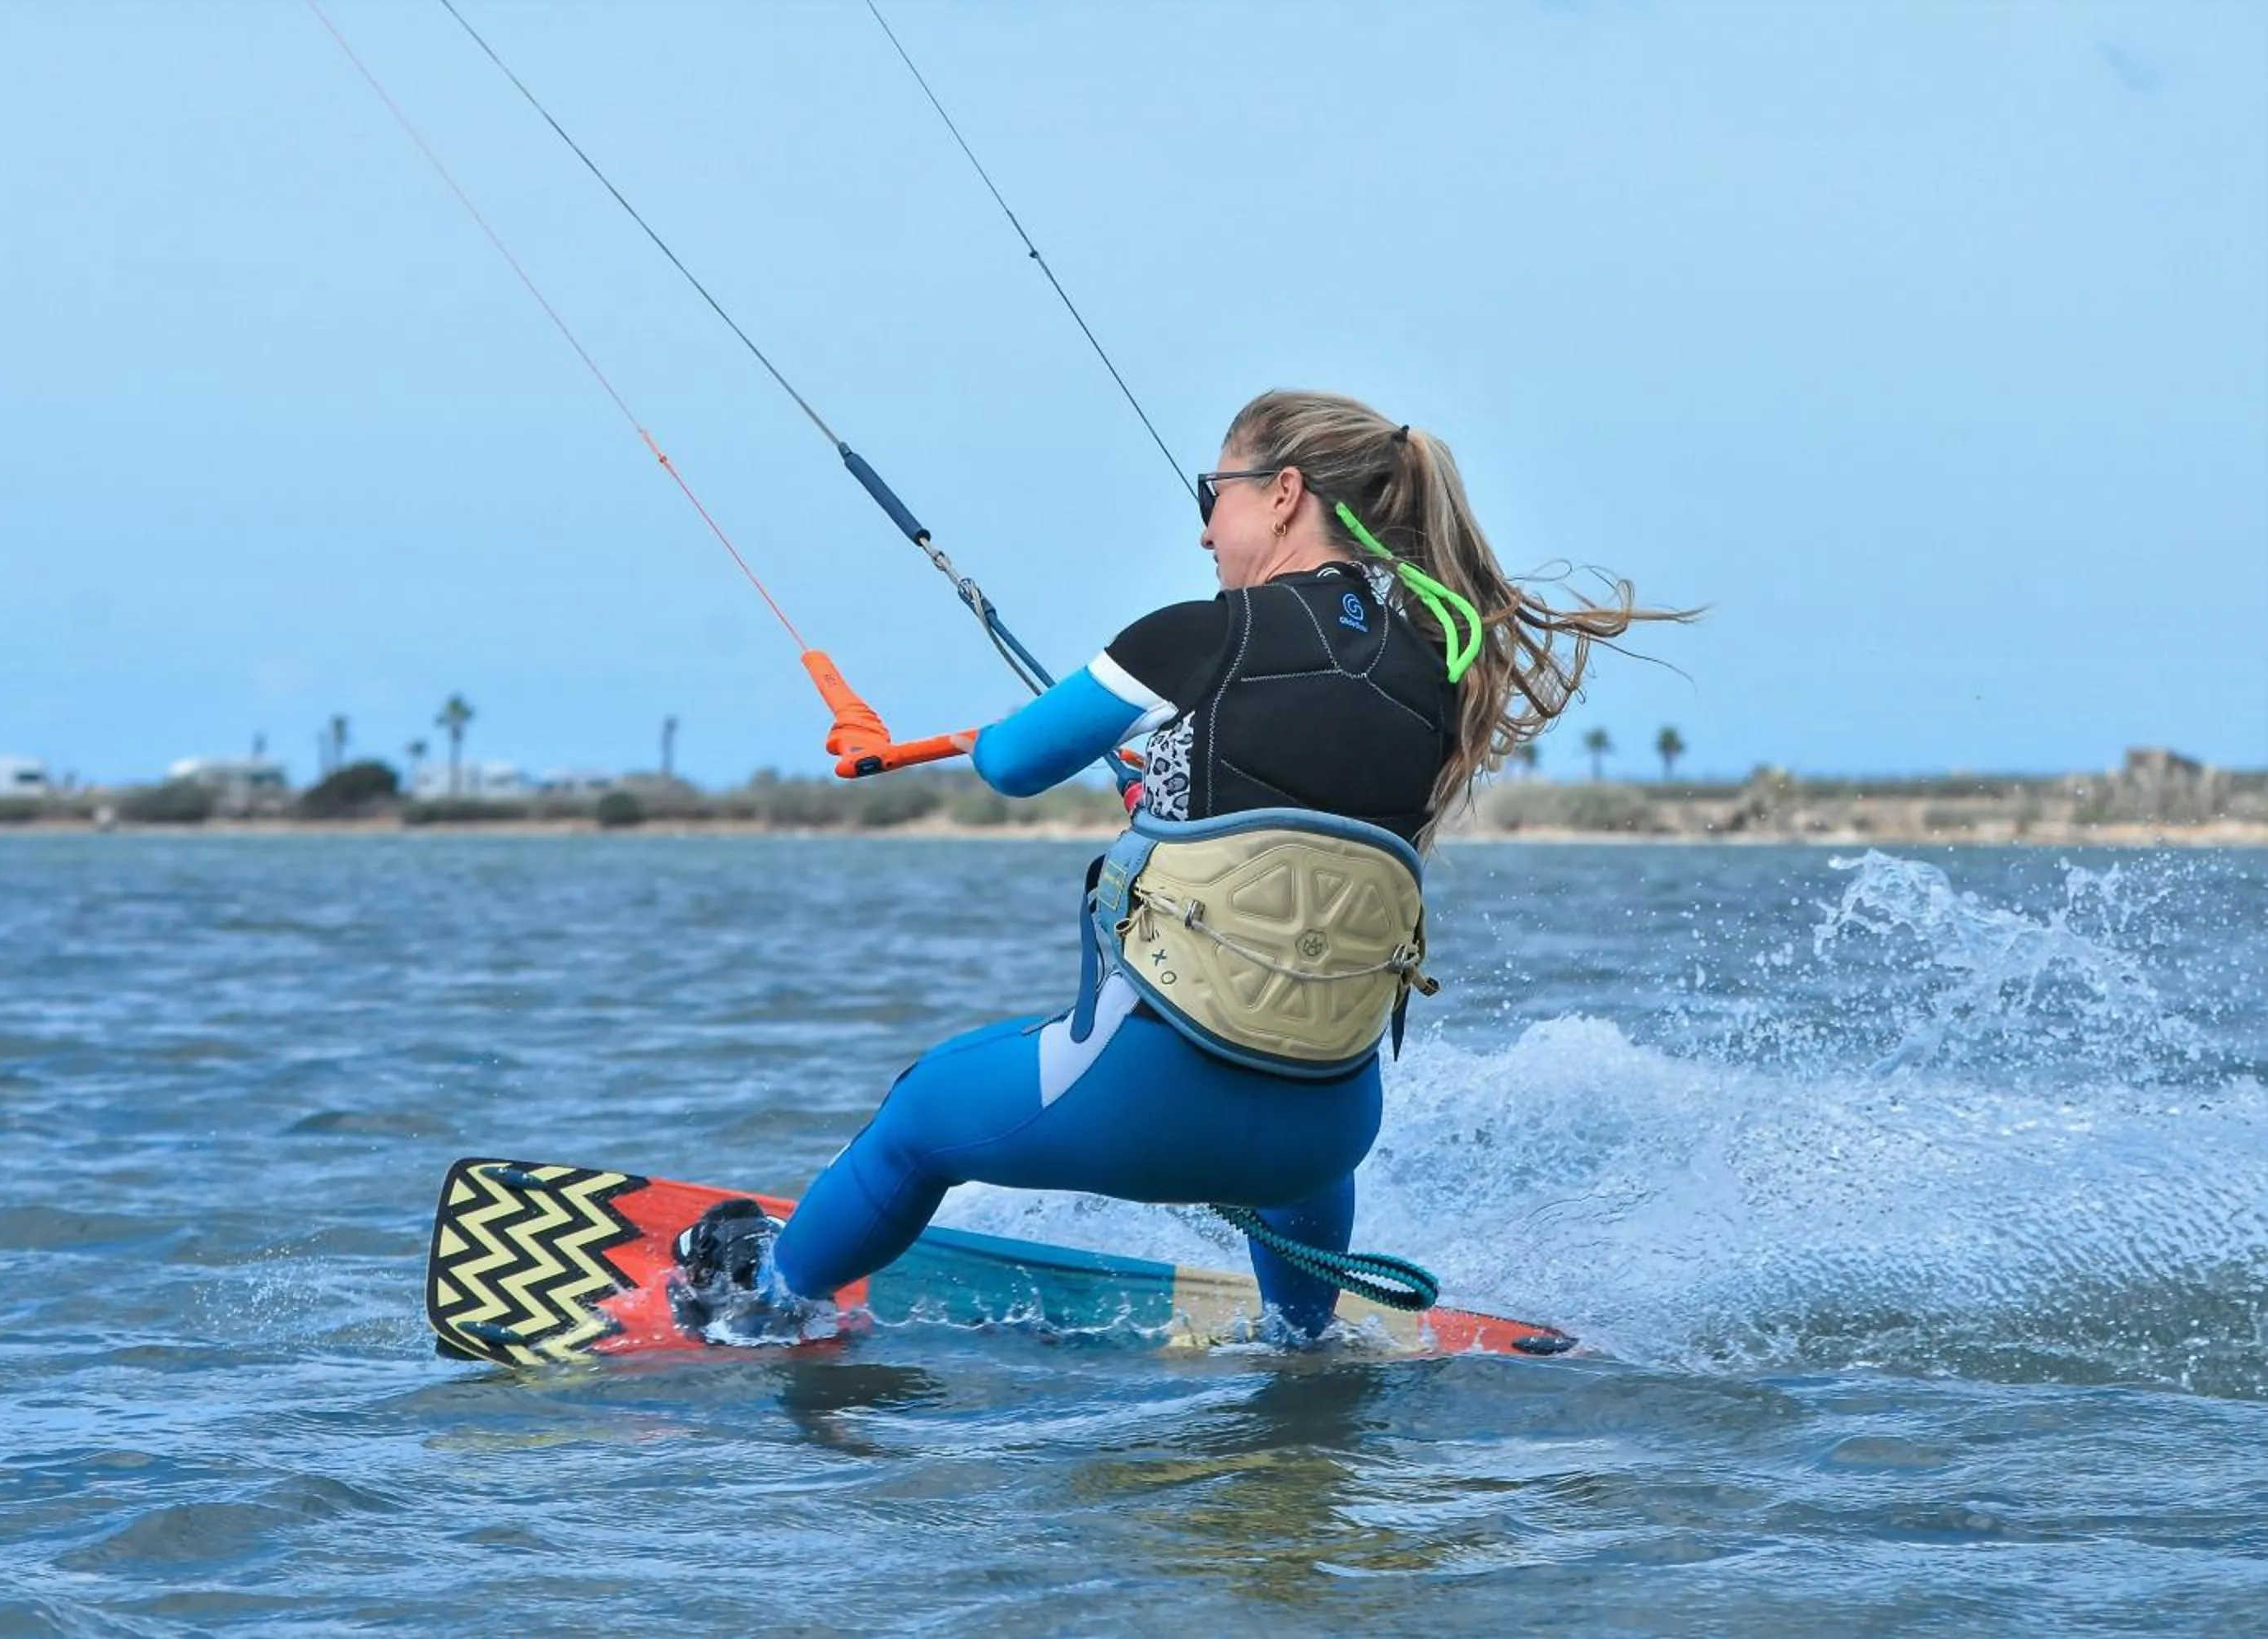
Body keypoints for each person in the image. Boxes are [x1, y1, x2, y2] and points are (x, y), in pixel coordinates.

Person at [674, 388, 1687, 1340]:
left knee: (921, 1116)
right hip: (1323, 1136)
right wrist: (1158, 788)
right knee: (1298, 1074)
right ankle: (1303, 1344)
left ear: (1283, 494)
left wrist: (1003, 739)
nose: (1205, 530)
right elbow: (1290, 832)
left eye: (1216, 496)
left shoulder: (1196, 637)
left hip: (1140, 1103)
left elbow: (1014, 763)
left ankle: (767, 1309)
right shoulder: (1437, 673)